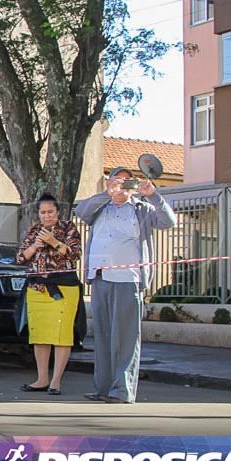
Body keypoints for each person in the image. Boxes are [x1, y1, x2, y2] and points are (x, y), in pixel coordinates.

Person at [75, 166, 176, 403]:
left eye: (127, 182)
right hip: (100, 278)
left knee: (126, 338)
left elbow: (168, 221)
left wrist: (153, 194)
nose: (121, 186)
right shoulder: (99, 208)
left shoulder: (142, 209)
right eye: (116, 181)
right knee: (102, 336)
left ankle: (122, 391)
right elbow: (81, 211)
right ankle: (103, 388)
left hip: (127, 280)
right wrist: (106, 194)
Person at [15, 193, 83, 396]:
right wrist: (35, 245)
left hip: (63, 289)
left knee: (62, 335)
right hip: (37, 289)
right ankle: (42, 378)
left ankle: (56, 381)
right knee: (40, 335)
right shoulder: (34, 230)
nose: (46, 216)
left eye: (50, 212)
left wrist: (54, 241)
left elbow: (75, 254)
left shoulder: (68, 228)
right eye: (43, 212)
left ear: (58, 212)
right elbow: (19, 258)